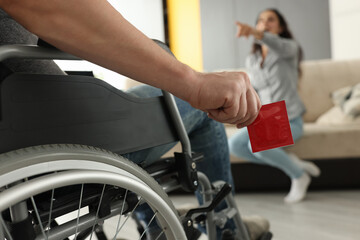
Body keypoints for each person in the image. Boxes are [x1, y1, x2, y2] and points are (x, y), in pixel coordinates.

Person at [0, 1, 267, 239]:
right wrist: (193, 82)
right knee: (204, 107)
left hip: (31, 136)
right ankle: (226, 228)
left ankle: (155, 227)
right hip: (51, 142)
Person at [229, 8, 321, 203]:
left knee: (260, 148)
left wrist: (256, 33)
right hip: (266, 118)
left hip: (290, 119)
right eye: (261, 20)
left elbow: (274, 43)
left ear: (280, 26)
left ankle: (298, 176)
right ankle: (293, 164)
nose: (265, 23)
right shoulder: (252, 59)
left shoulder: (289, 49)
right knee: (235, 145)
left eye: (271, 20)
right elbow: (253, 90)